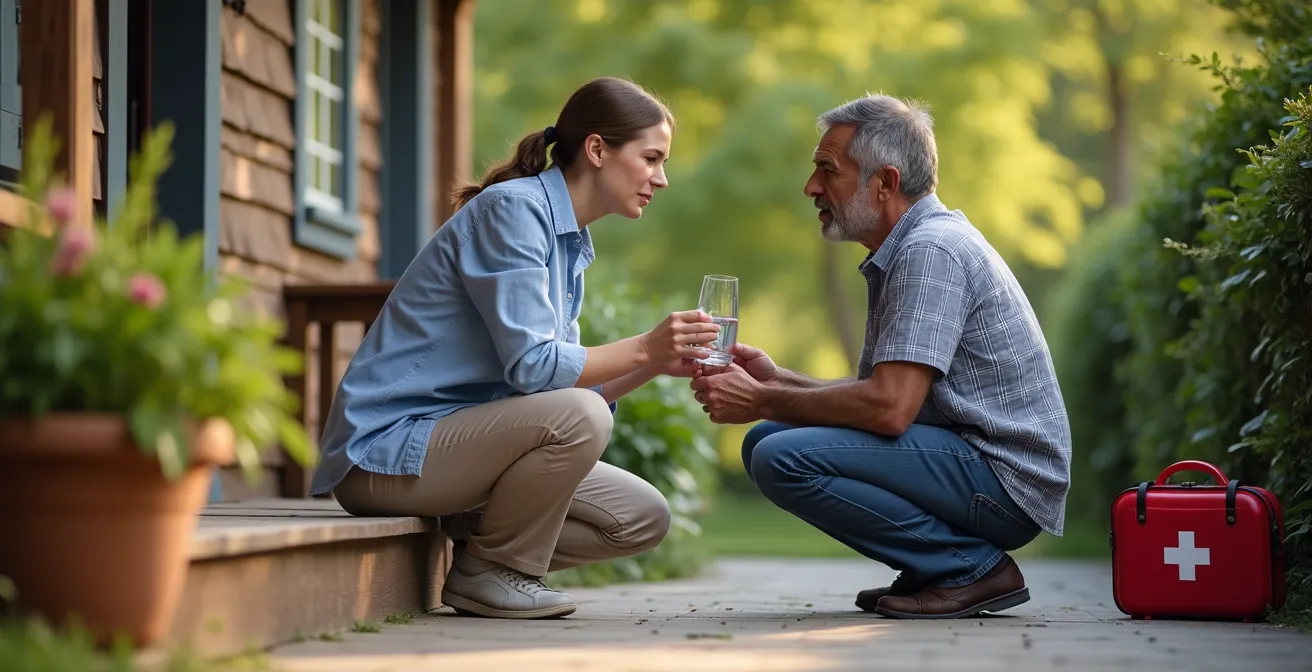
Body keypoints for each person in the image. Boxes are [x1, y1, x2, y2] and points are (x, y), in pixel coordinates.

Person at [308, 77, 721, 620]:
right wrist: (644, 346)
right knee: (582, 415)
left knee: (641, 517)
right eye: (651, 158)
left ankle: (480, 545)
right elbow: (537, 370)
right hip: (385, 453)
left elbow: (559, 383)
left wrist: (655, 362)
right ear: (597, 149)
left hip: (456, 447)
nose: (660, 179)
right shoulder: (514, 211)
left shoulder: (566, 239)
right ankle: (491, 573)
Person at [690, 93, 1072, 620]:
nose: (811, 187)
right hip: (972, 463)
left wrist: (761, 398)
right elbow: (883, 400)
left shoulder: (929, 251)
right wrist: (779, 383)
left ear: (885, 183)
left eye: (828, 170)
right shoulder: (913, 245)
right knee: (767, 438)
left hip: (1005, 482)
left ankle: (969, 567)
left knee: (781, 456)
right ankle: (935, 567)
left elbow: (889, 410)